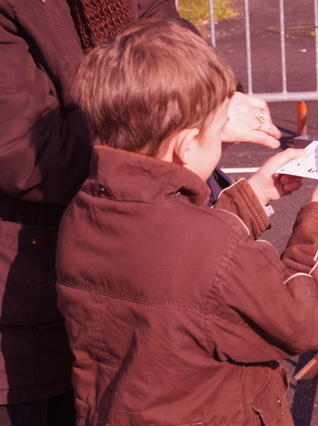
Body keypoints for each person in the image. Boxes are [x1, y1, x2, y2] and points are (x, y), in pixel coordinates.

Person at [55, 20, 318, 425]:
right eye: (217, 133)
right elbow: (299, 319)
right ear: (185, 146)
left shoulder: (85, 211)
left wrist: (253, 196)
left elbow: (176, 265)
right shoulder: (209, 245)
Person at [0, 0, 281, 423]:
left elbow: (168, 37)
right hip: (25, 309)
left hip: (120, 293)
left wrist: (213, 99)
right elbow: (23, 151)